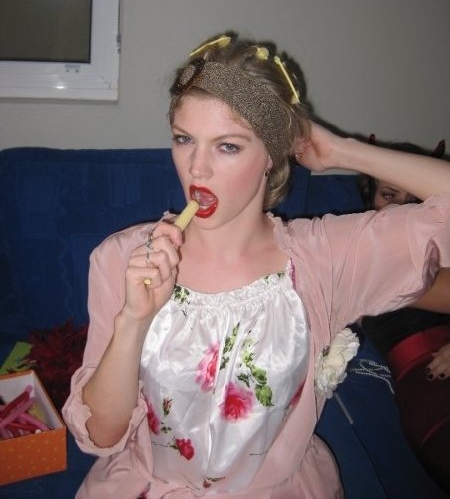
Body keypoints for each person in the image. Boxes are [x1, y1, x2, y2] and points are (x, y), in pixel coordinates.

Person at [63, 32, 450, 499]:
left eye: (227, 146)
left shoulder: (324, 260)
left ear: (272, 154)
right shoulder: (123, 258)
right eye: (184, 139)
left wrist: (341, 151)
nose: (197, 168)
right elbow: (100, 436)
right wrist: (132, 321)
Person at [358, 139, 450, 493]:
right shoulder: (349, 248)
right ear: (369, 196)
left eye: (415, 198)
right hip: (425, 397)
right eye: (389, 195)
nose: (403, 209)